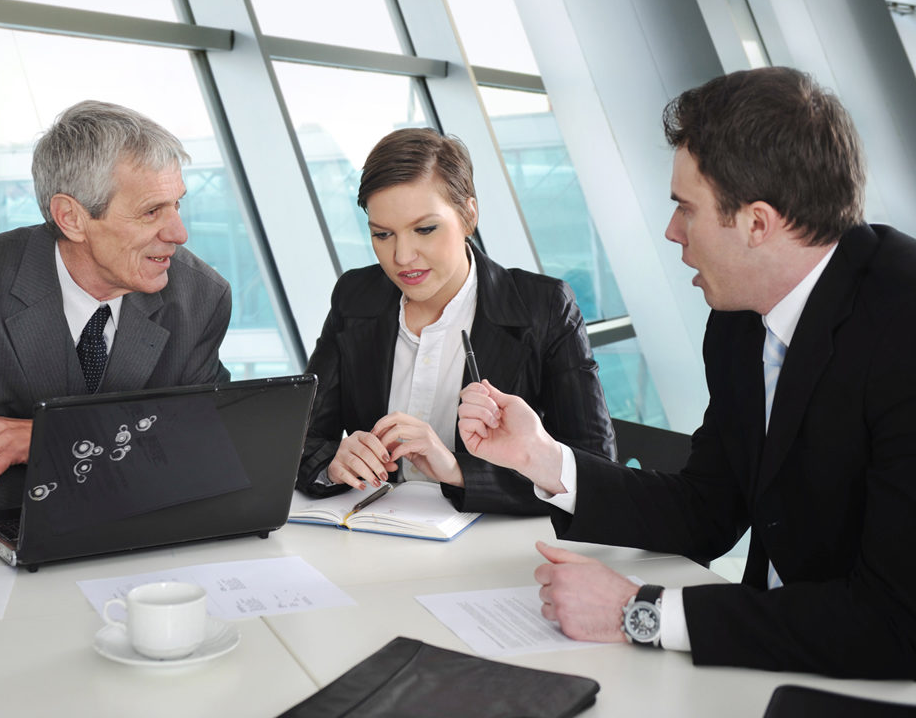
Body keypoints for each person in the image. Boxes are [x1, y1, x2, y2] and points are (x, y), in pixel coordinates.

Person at [458, 67, 916, 678]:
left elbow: (892, 624)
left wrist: (637, 612)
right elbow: (709, 508)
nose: (672, 232)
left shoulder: (904, 329)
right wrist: (544, 457)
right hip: (777, 658)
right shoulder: (739, 320)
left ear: (757, 222)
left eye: (685, 208)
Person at [0, 101, 232, 520]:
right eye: (152, 211)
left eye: (177, 205)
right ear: (71, 217)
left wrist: (50, 441)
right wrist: (136, 459)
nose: (179, 233)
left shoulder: (201, 298)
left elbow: (207, 458)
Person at [297, 128, 615, 513]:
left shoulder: (544, 308)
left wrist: (458, 471)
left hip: (495, 551)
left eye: (425, 229)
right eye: (382, 234)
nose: (401, 256)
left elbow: (595, 471)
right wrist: (333, 460)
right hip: (372, 540)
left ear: (469, 215)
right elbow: (299, 439)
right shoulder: (355, 296)